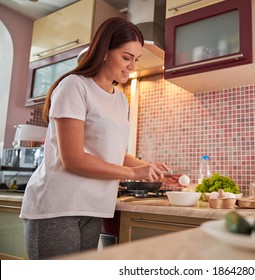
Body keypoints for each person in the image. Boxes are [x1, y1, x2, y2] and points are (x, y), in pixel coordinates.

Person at [19, 17, 169, 260]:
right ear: (104, 52)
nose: (133, 66)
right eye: (126, 57)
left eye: (136, 59)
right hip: (58, 206)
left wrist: (146, 167)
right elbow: (73, 159)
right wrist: (133, 174)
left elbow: (112, 153)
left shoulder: (120, 99)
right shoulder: (74, 86)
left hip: (93, 206)